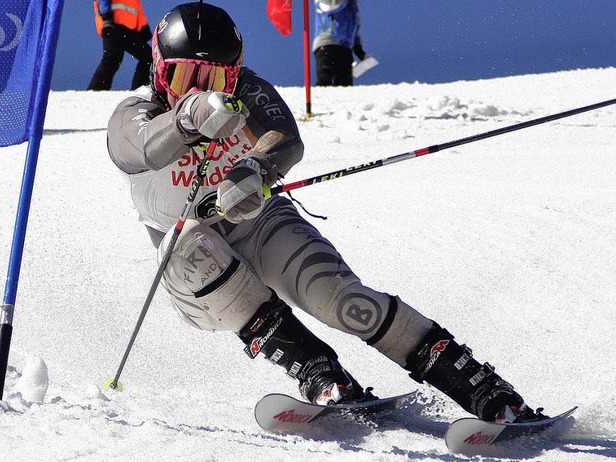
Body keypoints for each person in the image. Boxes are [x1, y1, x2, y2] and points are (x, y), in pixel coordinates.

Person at [106, 2, 547, 424]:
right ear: (160, 69)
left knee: (345, 302)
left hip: (259, 225)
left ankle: (487, 392)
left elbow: (285, 137)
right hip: (197, 281)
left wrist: (254, 167)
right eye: (185, 74)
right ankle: (316, 369)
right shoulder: (134, 113)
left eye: (215, 77)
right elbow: (143, 147)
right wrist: (191, 115)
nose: (200, 86)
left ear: (235, 73)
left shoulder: (245, 91)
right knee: (187, 244)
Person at [88, 0, 153, 91]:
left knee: (149, 57)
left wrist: (143, 26)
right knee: (112, 58)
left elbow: (136, 6)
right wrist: (107, 17)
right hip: (113, 24)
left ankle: (138, 91)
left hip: (128, 29)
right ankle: (95, 90)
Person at [313, 0, 368, 86]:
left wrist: (358, 49)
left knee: (345, 84)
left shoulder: (352, 8)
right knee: (325, 80)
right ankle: (318, 98)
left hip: (345, 48)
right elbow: (329, 6)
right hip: (327, 43)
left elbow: (354, 30)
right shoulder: (326, 2)